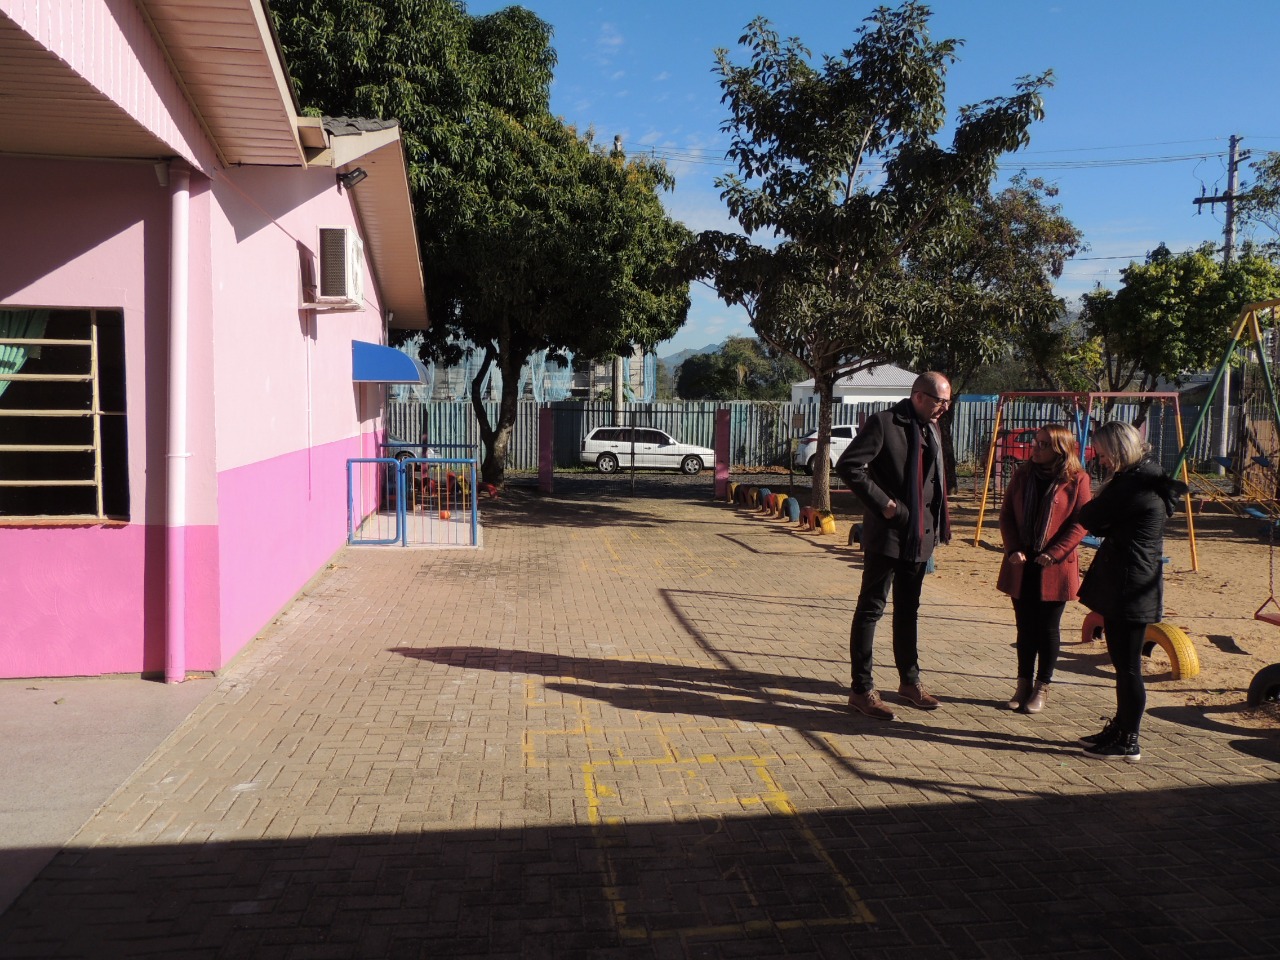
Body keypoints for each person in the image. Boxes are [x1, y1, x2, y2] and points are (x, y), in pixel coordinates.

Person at [835, 371, 952, 720]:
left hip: (920, 537)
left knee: (908, 610)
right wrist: (886, 505)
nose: (944, 408)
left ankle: (909, 682)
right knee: (871, 609)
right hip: (888, 534)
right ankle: (861, 689)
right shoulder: (884, 424)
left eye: (947, 402)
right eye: (939, 401)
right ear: (918, 396)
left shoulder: (932, 427)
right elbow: (850, 466)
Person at [1076, 421, 1187, 762]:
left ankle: (1128, 741)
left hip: (1130, 584)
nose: (1101, 459)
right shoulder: (1143, 477)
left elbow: (1091, 516)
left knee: (1127, 668)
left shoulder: (1133, 483)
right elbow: (1104, 519)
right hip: (1131, 578)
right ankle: (1120, 727)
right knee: (1123, 665)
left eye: (1104, 453)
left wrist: (1103, 505)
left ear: (1119, 449)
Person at [996, 424, 1092, 714]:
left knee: (1048, 629)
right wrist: (1013, 548)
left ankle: (1042, 686)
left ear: (1060, 449)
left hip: (1055, 565)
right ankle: (1022, 684)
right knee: (1024, 628)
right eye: (1035, 443)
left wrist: (1055, 553)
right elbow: (1007, 514)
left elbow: (1081, 522)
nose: (1034, 449)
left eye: (1042, 445)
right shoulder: (1023, 474)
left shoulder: (1077, 479)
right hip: (1021, 563)